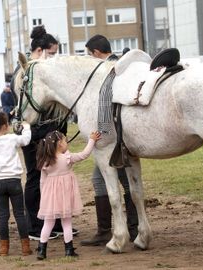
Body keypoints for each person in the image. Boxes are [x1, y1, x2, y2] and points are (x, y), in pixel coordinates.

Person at [80, 34, 139, 246]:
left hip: (116, 139)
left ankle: (130, 228)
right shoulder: (118, 66)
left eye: (89, 54)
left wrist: (103, 131)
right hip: (117, 136)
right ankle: (111, 229)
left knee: (124, 181)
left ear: (96, 53)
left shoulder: (110, 71)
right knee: (101, 180)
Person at [18, 25, 69, 241]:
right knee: (34, 177)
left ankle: (53, 222)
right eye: (53, 53)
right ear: (41, 51)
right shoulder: (27, 73)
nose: (55, 58)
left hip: (48, 132)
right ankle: (34, 225)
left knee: (51, 178)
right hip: (35, 134)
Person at [35, 130, 101, 260]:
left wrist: (44, 196)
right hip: (65, 195)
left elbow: (42, 181)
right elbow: (84, 154)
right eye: (65, 140)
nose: (67, 143)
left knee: (48, 223)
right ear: (59, 143)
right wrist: (92, 140)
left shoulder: (45, 161)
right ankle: (69, 249)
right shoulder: (67, 159)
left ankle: (42, 250)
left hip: (50, 196)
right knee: (66, 222)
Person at [0, 112, 32, 256]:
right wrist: (26, 127)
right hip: (14, 181)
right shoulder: (11, 138)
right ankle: (25, 247)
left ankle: (4, 248)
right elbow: (26, 140)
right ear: (4, 126)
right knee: (19, 215)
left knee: (2, 216)